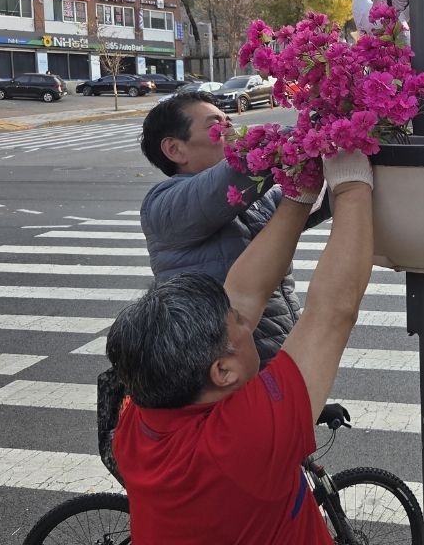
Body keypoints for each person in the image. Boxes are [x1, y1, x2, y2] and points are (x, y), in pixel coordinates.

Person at [106, 150, 374, 545]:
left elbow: (244, 291)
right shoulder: (238, 442)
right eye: (241, 325)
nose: (247, 318)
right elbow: (333, 313)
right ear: (223, 371)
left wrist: (299, 196)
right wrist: (351, 181)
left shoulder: (139, 418)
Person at [138, 90, 325, 365]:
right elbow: (225, 180)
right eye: (215, 123)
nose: (230, 128)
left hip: (276, 362)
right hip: (221, 372)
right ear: (175, 149)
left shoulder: (253, 199)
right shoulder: (164, 206)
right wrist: (308, 134)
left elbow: (314, 198)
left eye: (228, 119)